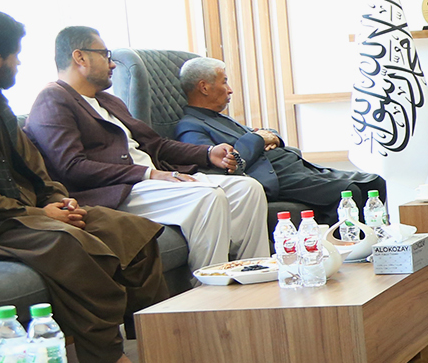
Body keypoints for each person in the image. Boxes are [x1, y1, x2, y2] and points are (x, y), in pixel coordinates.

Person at [0, 9, 166, 363]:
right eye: (15, 56)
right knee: (72, 245)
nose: (19, 63)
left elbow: (33, 166)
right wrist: (42, 215)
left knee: (133, 233)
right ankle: (107, 362)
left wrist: (58, 200)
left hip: (18, 215)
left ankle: (155, 346)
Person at [26, 27, 269, 272]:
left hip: (150, 184)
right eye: (105, 55)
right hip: (117, 191)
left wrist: (207, 153)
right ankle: (211, 288)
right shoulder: (53, 99)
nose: (112, 64)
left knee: (247, 189)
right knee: (207, 196)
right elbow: (72, 167)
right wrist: (149, 174)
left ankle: (254, 276)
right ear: (80, 57)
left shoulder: (108, 101)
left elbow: (156, 145)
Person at [175, 56, 386, 214]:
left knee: (375, 183)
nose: (230, 90)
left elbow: (262, 133)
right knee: (349, 192)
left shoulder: (220, 118)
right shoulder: (190, 126)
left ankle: (374, 250)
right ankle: (347, 252)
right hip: (275, 178)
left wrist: (270, 137)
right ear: (204, 87)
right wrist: (259, 139)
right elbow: (223, 165)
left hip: (295, 167)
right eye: (224, 82)